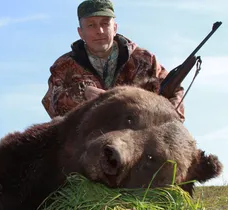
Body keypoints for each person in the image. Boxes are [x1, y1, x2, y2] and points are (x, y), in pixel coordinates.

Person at [41, 0, 185, 121]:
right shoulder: (64, 66)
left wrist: (171, 118)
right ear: (81, 32)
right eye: (91, 25)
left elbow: (173, 90)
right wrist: (82, 93)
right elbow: (52, 105)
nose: (100, 31)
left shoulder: (145, 60)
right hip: (85, 143)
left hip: (139, 140)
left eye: (105, 23)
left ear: (114, 28)